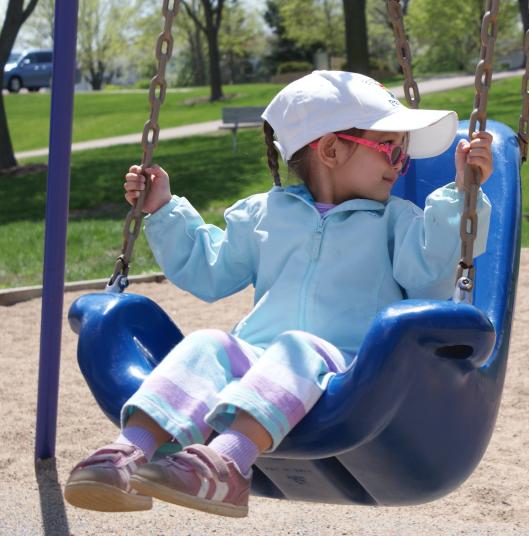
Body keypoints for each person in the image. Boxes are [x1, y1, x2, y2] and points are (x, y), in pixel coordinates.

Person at [64, 70, 494, 518]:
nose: (401, 165)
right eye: (391, 149)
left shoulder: (397, 221)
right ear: (331, 150)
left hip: (349, 368)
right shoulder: (265, 214)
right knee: (207, 343)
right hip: (260, 358)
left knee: (297, 347)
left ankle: (228, 463)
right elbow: (209, 272)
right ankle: (128, 453)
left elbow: (431, 278)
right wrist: (164, 209)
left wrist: (462, 197)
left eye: (403, 154)